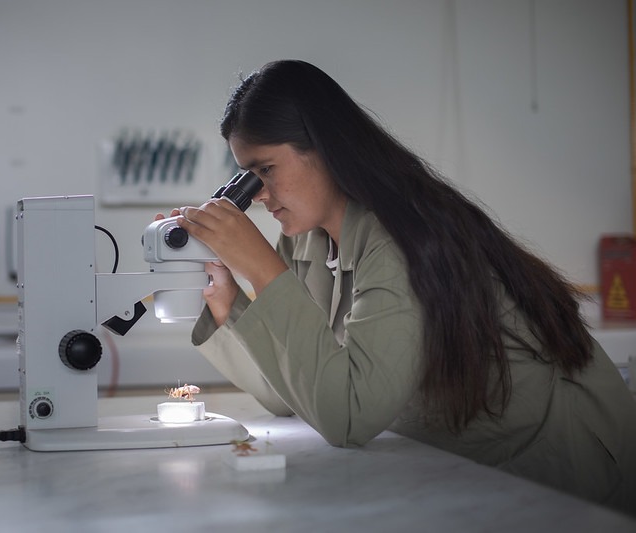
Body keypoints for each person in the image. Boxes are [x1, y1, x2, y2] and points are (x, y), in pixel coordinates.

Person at [164, 59, 636, 514]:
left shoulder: (402, 236)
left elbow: (348, 417)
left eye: (265, 170)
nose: (257, 194)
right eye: (245, 175)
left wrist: (263, 270)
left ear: (325, 148)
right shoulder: (307, 242)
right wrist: (227, 302)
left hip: (566, 468)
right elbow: (296, 391)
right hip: (478, 472)